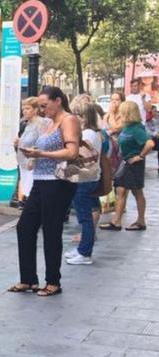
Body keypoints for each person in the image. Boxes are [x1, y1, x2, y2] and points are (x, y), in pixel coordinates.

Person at [9, 86, 80, 297]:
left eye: (44, 105)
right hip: (40, 181)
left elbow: (72, 151)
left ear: (58, 101)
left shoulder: (69, 120)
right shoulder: (49, 123)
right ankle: (28, 279)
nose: (42, 109)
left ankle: (53, 282)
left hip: (57, 183)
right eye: (40, 106)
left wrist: (42, 153)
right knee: (25, 227)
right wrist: (30, 152)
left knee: (51, 230)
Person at [100, 101, 156, 232]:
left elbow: (150, 143)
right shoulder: (127, 127)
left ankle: (140, 221)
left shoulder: (137, 129)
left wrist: (140, 156)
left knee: (136, 192)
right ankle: (117, 221)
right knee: (121, 191)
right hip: (125, 163)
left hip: (134, 164)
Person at [66, 100, 104, 265]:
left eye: (76, 114)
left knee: (84, 218)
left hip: (83, 178)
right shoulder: (94, 133)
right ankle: (83, 249)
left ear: (83, 117)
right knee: (87, 215)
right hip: (91, 177)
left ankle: (85, 252)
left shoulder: (87, 134)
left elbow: (78, 156)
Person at [14, 97, 51, 205]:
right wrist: (18, 143)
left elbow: (42, 142)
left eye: (28, 108)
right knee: (28, 190)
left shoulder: (41, 123)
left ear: (35, 110)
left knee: (33, 192)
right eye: (23, 109)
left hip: (34, 163)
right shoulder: (25, 123)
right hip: (24, 161)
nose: (24, 111)